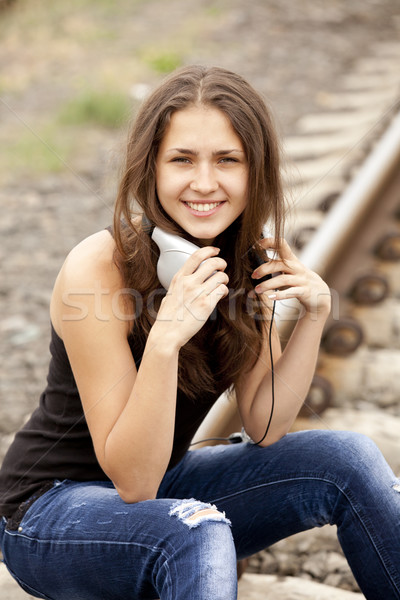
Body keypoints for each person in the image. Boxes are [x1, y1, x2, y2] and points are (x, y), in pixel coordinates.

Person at [0, 65, 399, 600]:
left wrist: (313, 316)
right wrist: (166, 338)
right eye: (182, 159)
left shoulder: (248, 259)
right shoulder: (98, 268)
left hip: (166, 485)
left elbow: (263, 424)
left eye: (227, 160)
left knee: (348, 460)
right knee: (197, 529)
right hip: (51, 509)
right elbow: (134, 482)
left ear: (255, 171)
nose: (205, 183)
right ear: (152, 170)